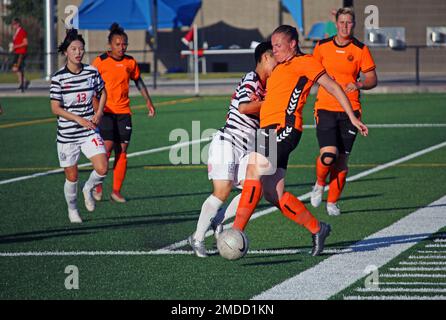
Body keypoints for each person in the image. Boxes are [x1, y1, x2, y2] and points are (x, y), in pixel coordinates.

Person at [231, 25, 368, 256]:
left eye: (277, 45)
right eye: (272, 46)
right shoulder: (279, 67)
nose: (273, 50)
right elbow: (275, 93)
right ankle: (318, 229)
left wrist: (352, 117)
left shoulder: (305, 62)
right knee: (274, 193)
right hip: (269, 128)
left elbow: (332, 86)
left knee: (253, 170)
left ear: (293, 44)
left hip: (282, 127)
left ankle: (236, 233)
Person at [187, 42, 277, 257]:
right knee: (223, 190)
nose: (279, 64)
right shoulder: (252, 79)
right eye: (276, 58)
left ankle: (217, 221)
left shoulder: (269, 86)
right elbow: (245, 107)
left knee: (255, 189)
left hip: (249, 146)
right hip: (228, 141)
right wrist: (269, 102)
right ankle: (197, 238)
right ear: (265, 57)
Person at [310, 7, 377, 216]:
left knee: (341, 160)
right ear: (336, 23)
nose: (345, 26)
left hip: (352, 112)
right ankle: (319, 184)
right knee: (329, 154)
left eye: (349, 22)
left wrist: (358, 84)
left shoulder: (360, 49)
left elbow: (372, 79)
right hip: (325, 108)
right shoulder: (321, 47)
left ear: (354, 24)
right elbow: (310, 74)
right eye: (342, 22)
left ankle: (332, 202)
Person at [91, 23, 156, 203]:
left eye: (124, 44)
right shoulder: (100, 61)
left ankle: (116, 191)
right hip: (106, 113)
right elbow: (90, 86)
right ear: (110, 45)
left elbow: (139, 82)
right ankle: (98, 184)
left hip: (124, 113)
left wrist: (148, 101)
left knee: (122, 151)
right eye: (118, 44)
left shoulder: (130, 62)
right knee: (107, 149)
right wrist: (96, 107)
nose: (121, 47)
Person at [50, 29, 108, 223]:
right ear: (66, 52)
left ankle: (88, 188)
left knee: (102, 168)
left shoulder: (92, 71)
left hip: (88, 130)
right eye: (74, 49)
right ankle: (72, 209)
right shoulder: (58, 78)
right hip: (67, 135)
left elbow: (103, 91)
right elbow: (55, 108)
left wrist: (99, 112)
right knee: (72, 176)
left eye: (81, 49)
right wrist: (78, 118)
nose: (78, 52)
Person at [10, 18, 29, 92]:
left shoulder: (22, 31)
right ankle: (24, 81)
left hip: (21, 53)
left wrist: (16, 46)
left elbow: (25, 43)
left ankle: (21, 84)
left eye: (14, 24)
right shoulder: (16, 32)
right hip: (17, 52)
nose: (13, 26)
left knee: (17, 68)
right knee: (15, 68)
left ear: (18, 24)